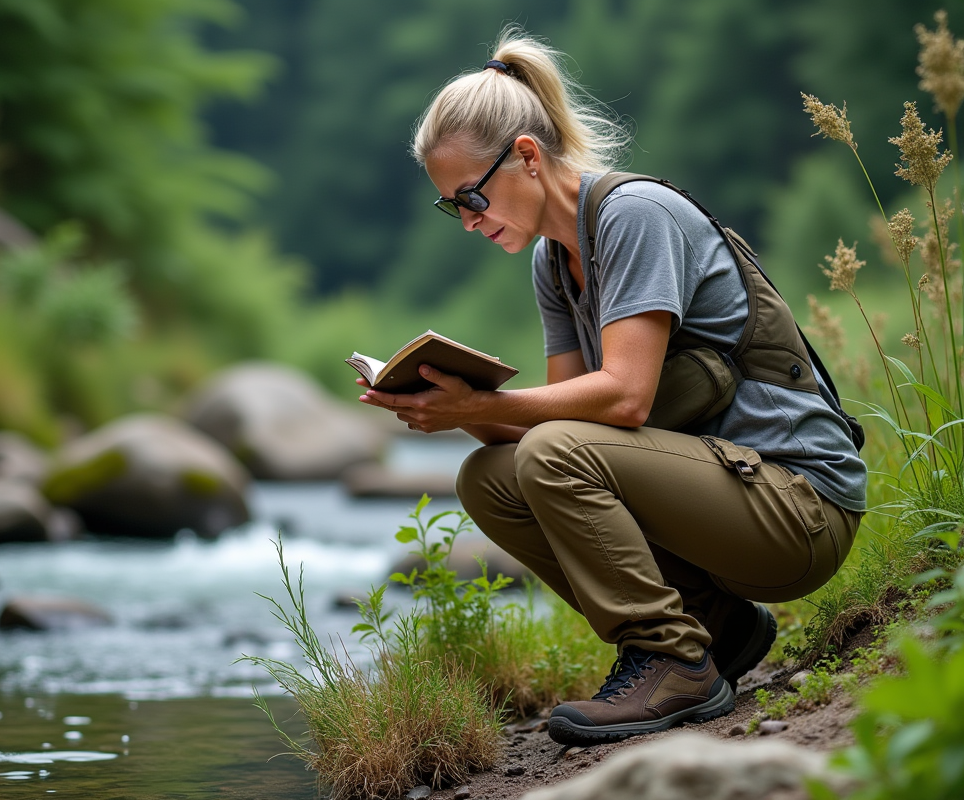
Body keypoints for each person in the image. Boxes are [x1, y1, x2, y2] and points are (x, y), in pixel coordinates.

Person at [357, 28, 867, 746]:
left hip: (799, 509)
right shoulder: (553, 262)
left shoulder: (635, 216)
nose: (468, 221)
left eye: (471, 196)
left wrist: (483, 403)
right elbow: (554, 426)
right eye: (452, 206)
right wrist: (446, 407)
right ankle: (715, 627)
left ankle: (671, 660)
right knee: (491, 477)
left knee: (551, 455)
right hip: (728, 499)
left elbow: (623, 398)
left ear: (527, 156)